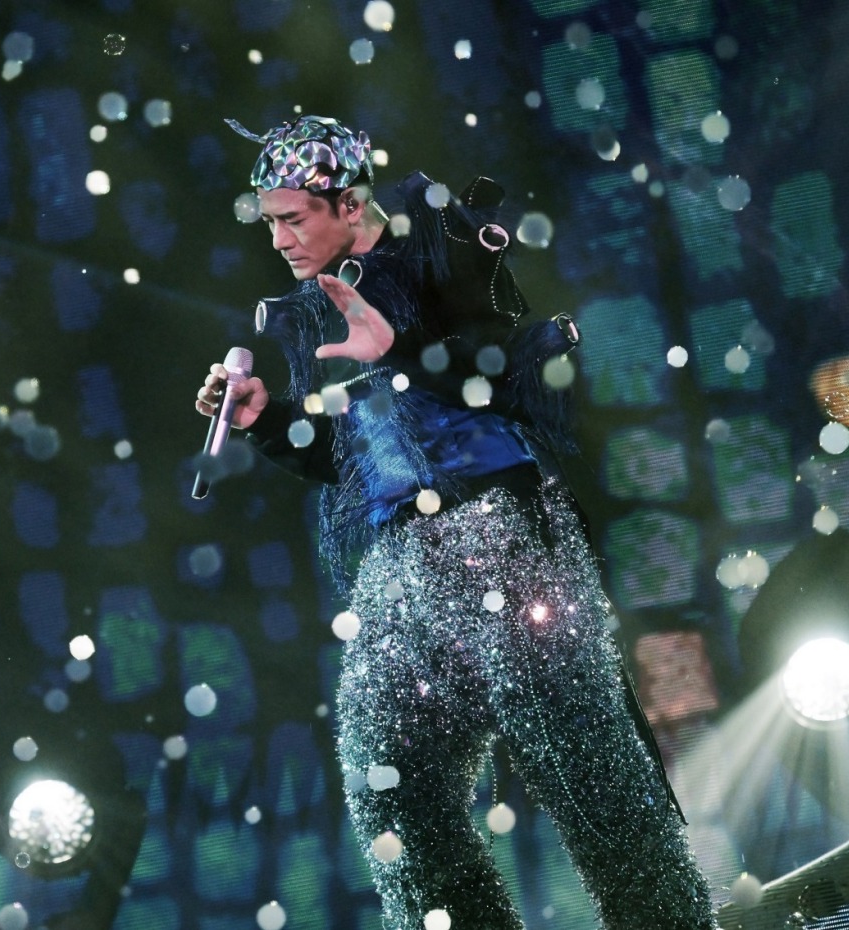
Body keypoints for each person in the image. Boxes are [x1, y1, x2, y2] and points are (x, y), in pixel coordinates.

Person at [194, 115, 715, 930]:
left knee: (586, 772)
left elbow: (508, 368)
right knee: (391, 793)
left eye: (291, 219)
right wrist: (266, 421)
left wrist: (399, 349)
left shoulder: (442, 248)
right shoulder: (319, 302)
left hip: (501, 535)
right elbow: (355, 455)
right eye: (268, 223)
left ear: (349, 202)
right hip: (397, 566)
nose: (278, 241)